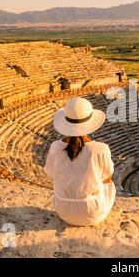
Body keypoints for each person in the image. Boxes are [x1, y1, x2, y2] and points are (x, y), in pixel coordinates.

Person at [44, 97, 115, 226]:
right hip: (92, 212)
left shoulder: (55, 146)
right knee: (109, 186)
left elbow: (51, 173)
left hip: (63, 210)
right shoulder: (101, 149)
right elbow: (107, 178)